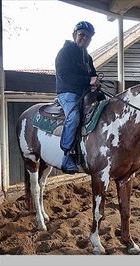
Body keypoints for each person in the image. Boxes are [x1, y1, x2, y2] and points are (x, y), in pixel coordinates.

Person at [55, 21, 100, 174]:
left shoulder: (87, 57)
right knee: (74, 117)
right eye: (82, 35)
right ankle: (67, 155)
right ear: (74, 35)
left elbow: (93, 75)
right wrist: (88, 81)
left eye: (88, 37)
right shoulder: (64, 52)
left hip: (85, 93)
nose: (85, 39)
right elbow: (64, 76)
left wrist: (96, 81)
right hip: (68, 93)